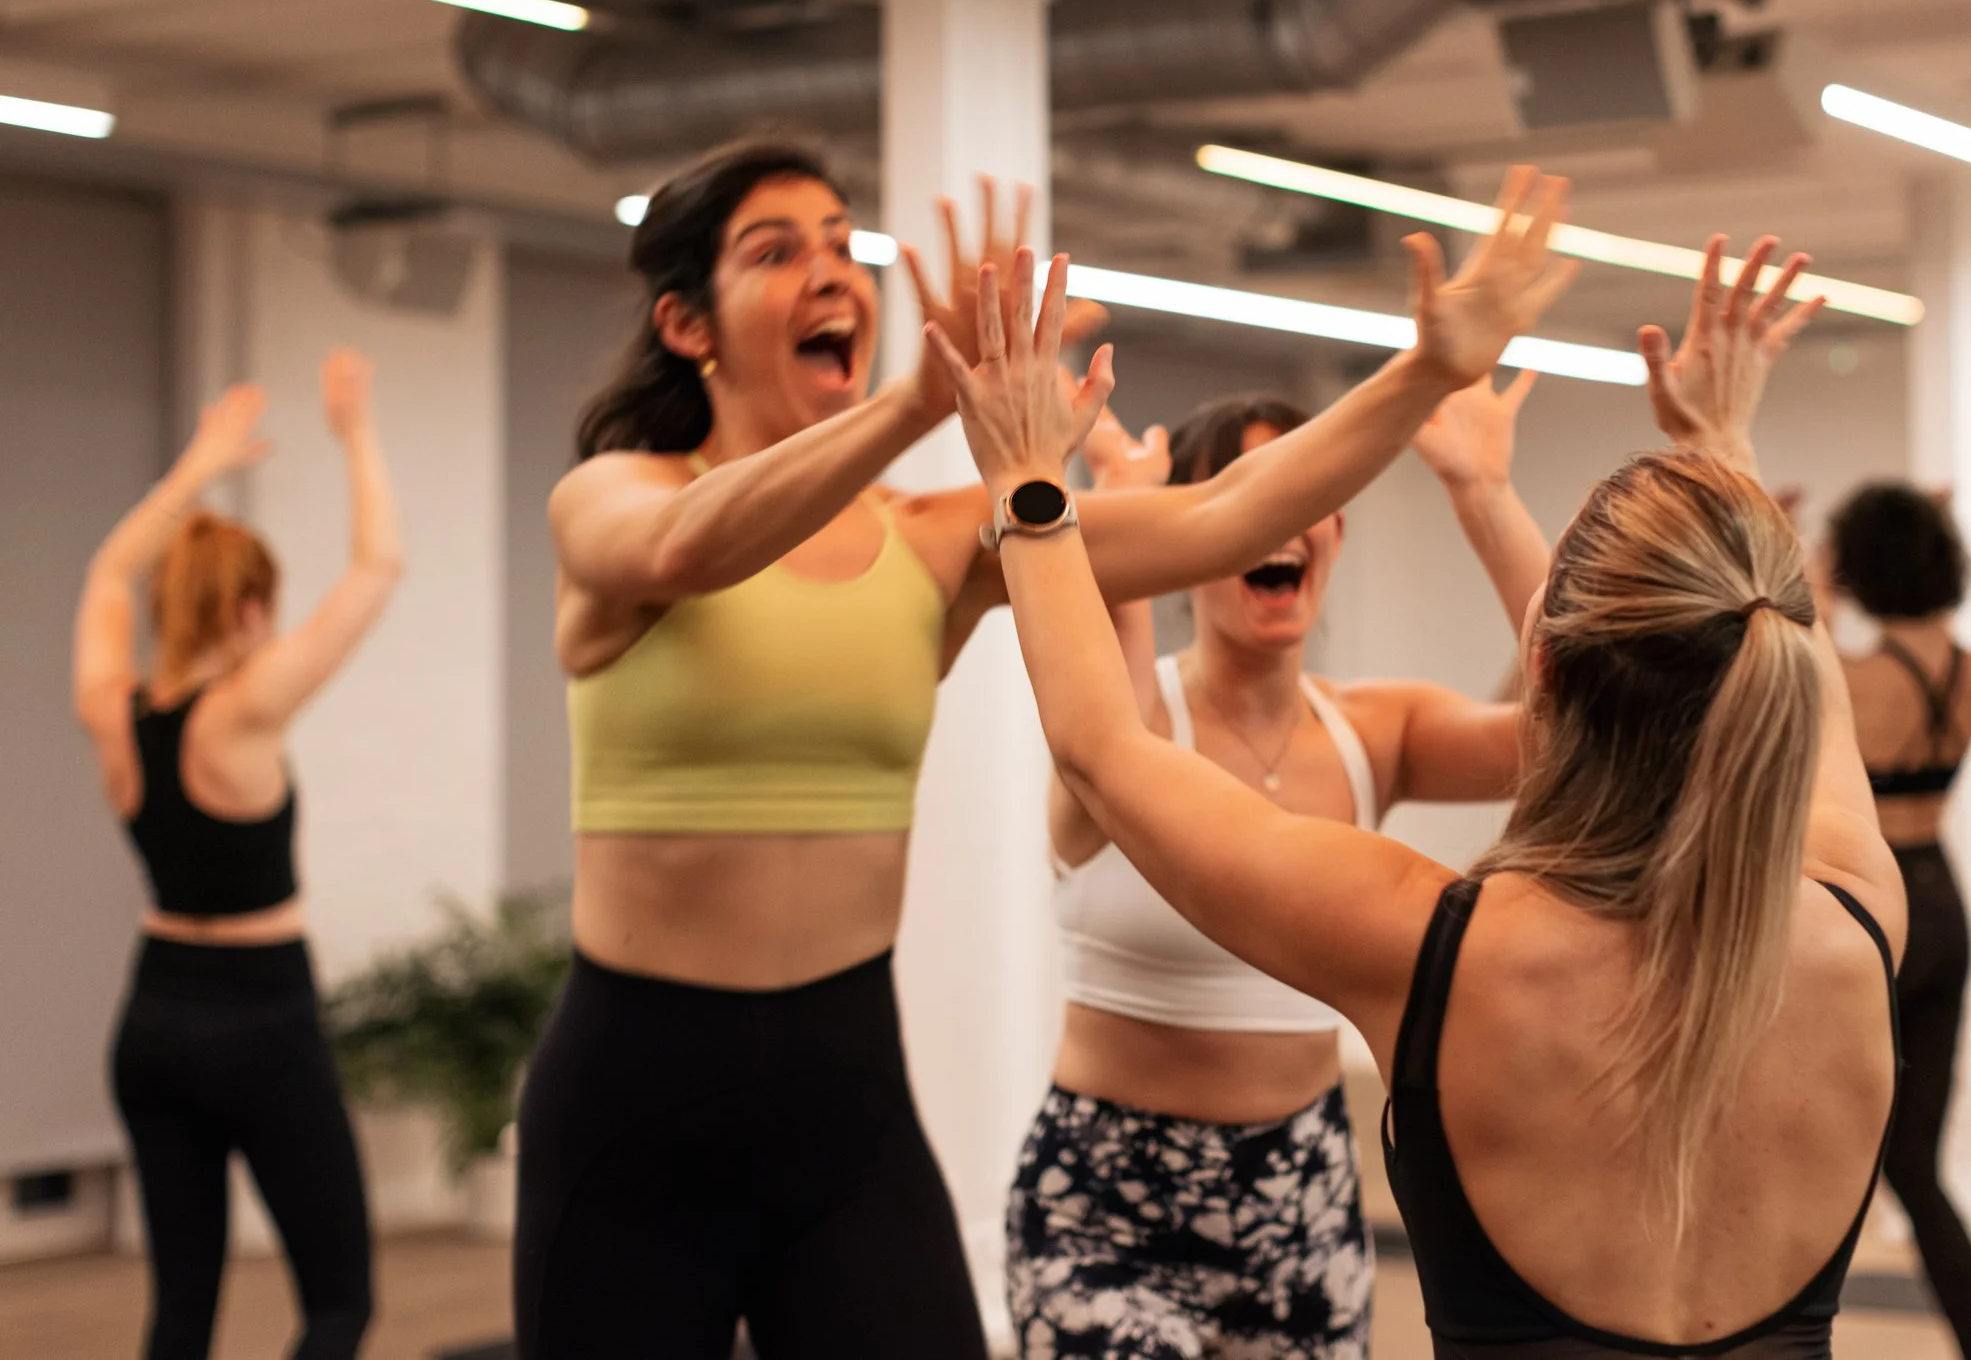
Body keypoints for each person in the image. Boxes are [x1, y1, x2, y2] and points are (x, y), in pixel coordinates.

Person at [514, 135, 1576, 1358]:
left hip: (843, 1099)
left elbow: (1230, 513)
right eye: (773, 251)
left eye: (838, 244)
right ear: (686, 325)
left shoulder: (932, 541)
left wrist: (1423, 371)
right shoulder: (612, 497)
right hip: (633, 1100)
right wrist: (918, 402)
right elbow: (682, 553)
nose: (828, 272)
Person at [942, 233, 1909, 1357]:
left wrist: (1026, 477)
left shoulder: (1431, 946)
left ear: (1539, 665)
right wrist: (1722, 449)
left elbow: (1100, 747)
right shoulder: (1858, 917)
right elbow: (1775, 642)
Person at [1007, 374, 1546, 1359]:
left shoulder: (1374, 731)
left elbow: (1575, 727)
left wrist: (1483, 495)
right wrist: (1120, 517)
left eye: (1310, 501)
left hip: (1300, 1184)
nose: (1286, 521)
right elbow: (1097, 700)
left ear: (1334, 532)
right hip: (1107, 1195)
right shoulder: (1128, 721)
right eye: (1252, 493)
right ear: (1199, 535)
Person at [72, 354, 402, 1360]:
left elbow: (105, 575)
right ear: (248, 610)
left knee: (180, 1310)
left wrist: (197, 469)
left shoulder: (114, 712)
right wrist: (351, 432)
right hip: (261, 1019)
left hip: (155, 1017)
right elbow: (377, 568)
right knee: (338, 1304)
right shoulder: (249, 709)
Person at [1826, 482, 1971, 1360]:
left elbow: (1791, 647)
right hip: (1944, 899)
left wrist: (1816, 586)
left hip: (1872, 905)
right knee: (1917, 1168)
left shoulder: (1850, 679)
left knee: (1823, 1155)